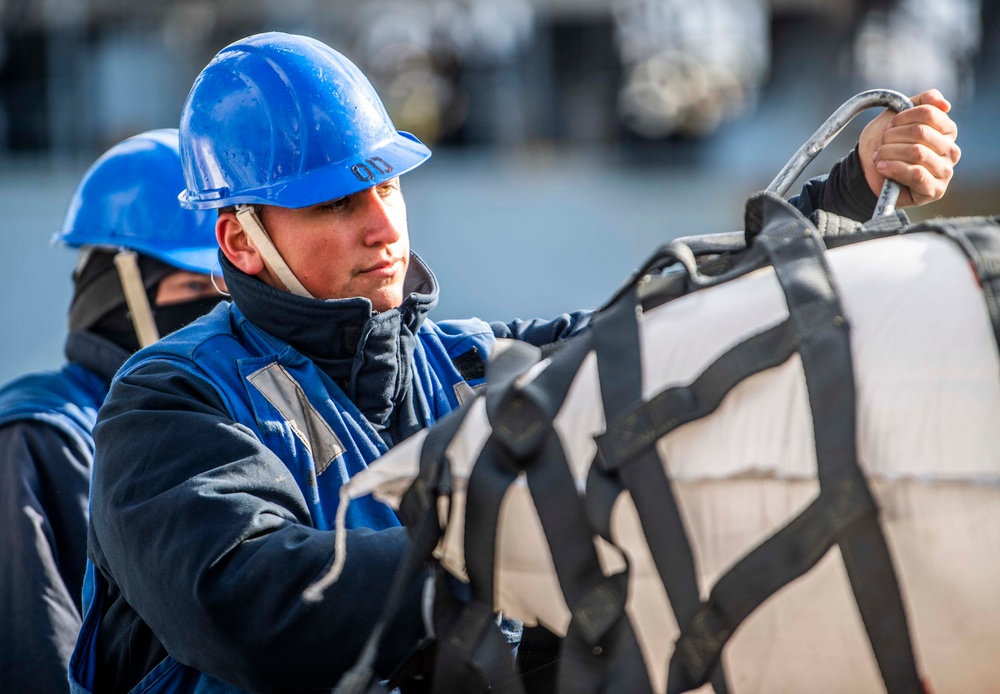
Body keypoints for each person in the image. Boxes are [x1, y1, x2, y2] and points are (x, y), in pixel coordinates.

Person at [69, 32, 960, 694]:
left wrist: (844, 195)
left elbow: (663, 332)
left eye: (386, 184)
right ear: (241, 239)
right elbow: (252, 609)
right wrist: (509, 541)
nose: (384, 225)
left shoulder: (467, 363)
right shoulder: (168, 402)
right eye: (337, 202)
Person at [0, 129, 228, 693]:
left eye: (235, 287)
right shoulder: (37, 441)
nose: (223, 311)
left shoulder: (231, 422)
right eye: (195, 285)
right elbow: (38, 656)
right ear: (118, 292)